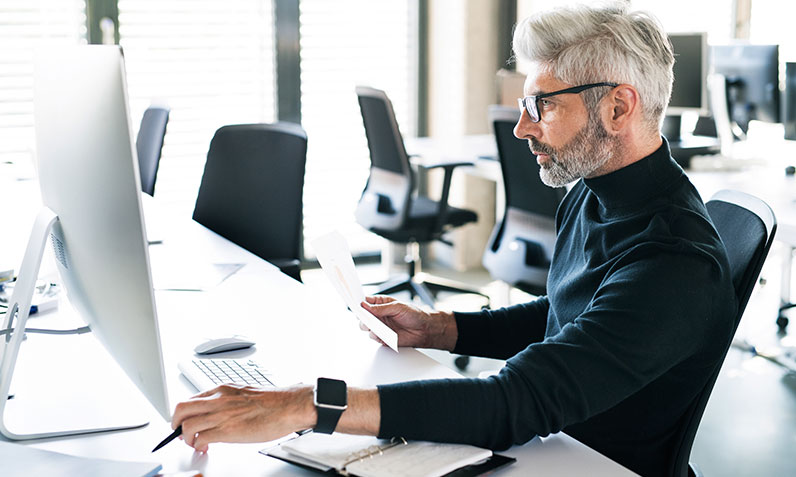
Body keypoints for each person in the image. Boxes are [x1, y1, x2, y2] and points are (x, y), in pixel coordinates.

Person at [171, 3, 736, 476]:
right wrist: (444, 328)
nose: (522, 128)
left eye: (543, 104)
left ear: (618, 106)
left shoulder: (675, 260)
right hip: (555, 448)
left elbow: (516, 403)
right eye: (524, 103)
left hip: (594, 465)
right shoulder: (595, 189)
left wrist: (306, 404)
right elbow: (570, 317)